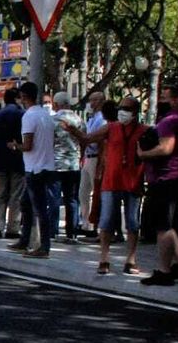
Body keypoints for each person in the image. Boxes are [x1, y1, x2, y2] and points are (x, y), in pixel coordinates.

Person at [66, 96, 146, 275]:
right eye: (121, 107)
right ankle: (104, 258)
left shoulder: (144, 130)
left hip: (133, 182)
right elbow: (88, 138)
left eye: (127, 108)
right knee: (106, 221)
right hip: (112, 182)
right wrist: (73, 131)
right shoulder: (111, 128)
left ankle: (131, 260)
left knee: (133, 223)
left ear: (135, 112)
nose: (123, 111)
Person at [136, 84, 178, 286]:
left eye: (164, 96)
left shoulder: (170, 121)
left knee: (162, 225)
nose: (160, 99)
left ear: (175, 99)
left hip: (167, 178)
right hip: (177, 176)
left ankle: (164, 270)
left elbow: (166, 148)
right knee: (167, 224)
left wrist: (143, 154)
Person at [8, 81, 57, 258]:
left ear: (23, 96)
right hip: (47, 165)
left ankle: (44, 247)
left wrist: (15, 146)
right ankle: (24, 239)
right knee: (26, 203)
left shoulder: (29, 116)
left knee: (39, 208)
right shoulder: (46, 115)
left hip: (34, 168)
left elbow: (27, 145)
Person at [0, 88, 24, 239]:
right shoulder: (22, 115)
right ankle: (13, 228)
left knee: (0, 194)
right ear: (17, 98)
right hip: (17, 158)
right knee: (16, 195)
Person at [50, 91, 83, 242]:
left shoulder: (53, 120)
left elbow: (49, 141)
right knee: (72, 199)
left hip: (56, 164)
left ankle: (53, 231)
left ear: (56, 104)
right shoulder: (79, 120)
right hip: (74, 164)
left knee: (54, 198)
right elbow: (84, 139)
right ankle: (72, 232)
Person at [77, 90, 106, 238]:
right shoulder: (91, 118)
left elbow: (100, 141)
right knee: (83, 193)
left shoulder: (102, 120)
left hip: (96, 158)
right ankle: (86, 223)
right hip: (88, 157)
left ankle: (96, 225)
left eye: (94, 100)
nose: (91, 103)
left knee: (97, 193)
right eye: (90, 100)